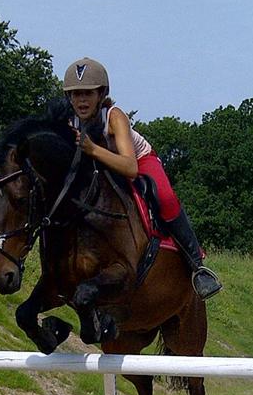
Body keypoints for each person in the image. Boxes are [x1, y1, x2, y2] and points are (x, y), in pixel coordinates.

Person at [62, 57, 222, 300]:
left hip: (140, 161)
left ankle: (197, 265)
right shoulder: (69, 121)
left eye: (87, 93)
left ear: (101, 93)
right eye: (75, 95)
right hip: (99, 165)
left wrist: (92, 149)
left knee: (166, 197)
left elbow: (130, 167)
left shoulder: (115, 117)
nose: (81, 100)